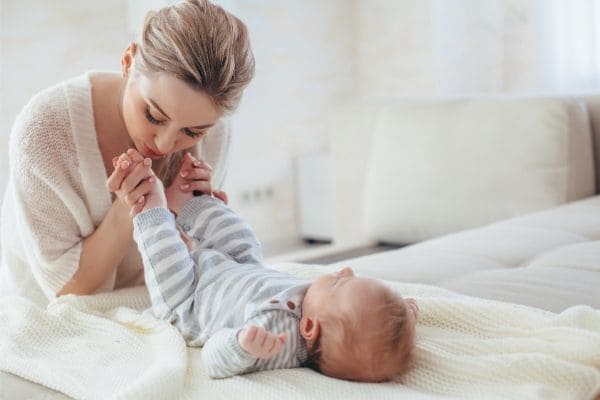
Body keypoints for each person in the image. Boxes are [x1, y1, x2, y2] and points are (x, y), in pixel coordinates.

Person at [0, 0, 254, 306]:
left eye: (192, 132)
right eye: (154, 116)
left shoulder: (216, 136)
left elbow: (192, 266)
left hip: (157, 305)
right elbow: (67, 290)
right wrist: (134, 209)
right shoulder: (43, 132)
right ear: (127, 61)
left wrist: (200, 220)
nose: (163, 145)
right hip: (47, 314)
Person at [116, 148, 420, 382]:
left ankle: (151, 209)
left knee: (168, 264)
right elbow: (376, 325)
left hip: (189, 301)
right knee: (246, 244)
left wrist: (241, 347)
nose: (344, 270)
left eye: (341, 283)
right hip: (236, 269)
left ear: (309, 327)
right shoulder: (321, 308)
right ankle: (190, 205)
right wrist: (401, 317)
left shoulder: (277, 341)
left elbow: (214, 359)